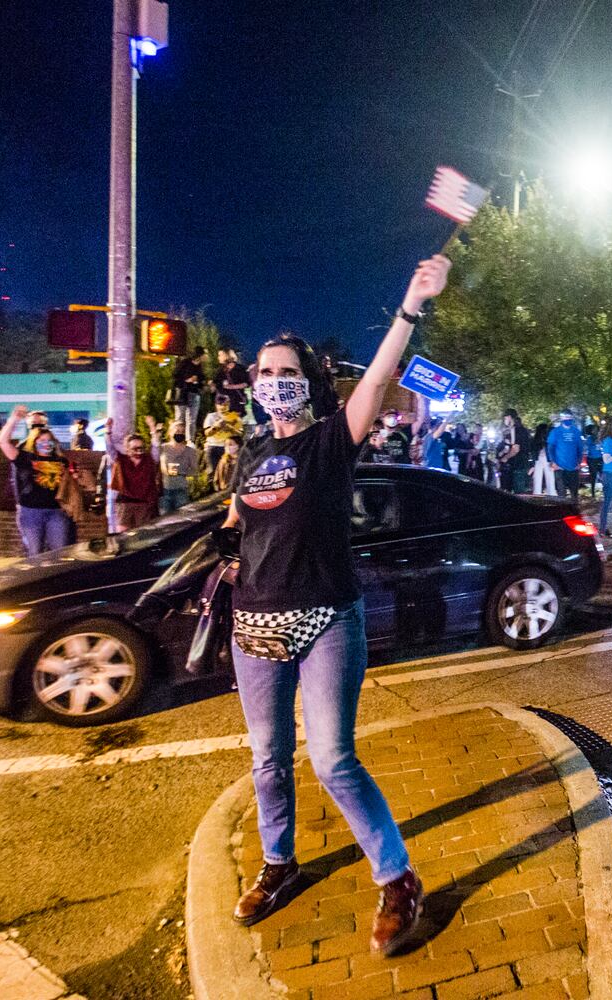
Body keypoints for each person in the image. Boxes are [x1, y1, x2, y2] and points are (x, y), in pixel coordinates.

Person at [219, 254, 450, 952]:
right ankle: (279, 865)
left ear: (309, 383)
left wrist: (409, 306)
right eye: (263, 373)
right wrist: (214, 549)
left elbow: (379, 378)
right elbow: (240, 523)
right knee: (266, 757)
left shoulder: (330, 439)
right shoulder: (250, 450)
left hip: (324, 619)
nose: (273, 381)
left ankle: (397, 878)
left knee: (331, 758)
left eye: (286, 371)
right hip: (252, 621)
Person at [0, 405, 80, 557]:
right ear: (34, 442)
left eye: (49, 440)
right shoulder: (25, 458)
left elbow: (70, 483)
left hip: (56, 511)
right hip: (31, 511)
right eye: (41, 440)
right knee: (35, 552)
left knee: (59, 552)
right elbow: (3, 441)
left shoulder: (61, 460)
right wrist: (14, 419)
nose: (46, 444)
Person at [108, 430, 163, 531]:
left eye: (141, 448)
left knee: (142, 535)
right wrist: (108, 433)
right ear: (127, 449)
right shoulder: (122, 460)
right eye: (135, 448)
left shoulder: (149, 460)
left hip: (144, 504)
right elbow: (110, 449)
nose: (138, 451)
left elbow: (156, 447)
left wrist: (153, 430)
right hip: (125, 503)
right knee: (123, 536)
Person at [157, 418, 200, 515]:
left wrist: (181, 472)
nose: (179, 433)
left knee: (182, 518)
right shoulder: (163, 448)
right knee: (164, 519)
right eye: (177, 431)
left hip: (181, 490)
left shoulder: (190, 451)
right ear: (170, 432)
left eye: (182, 431)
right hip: (164, 490)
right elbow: (158, 464)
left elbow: (195, 471)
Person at [546, 411, 584, 501]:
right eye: (565, 418)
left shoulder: (576, 431)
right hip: (560, 467)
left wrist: (579, 462)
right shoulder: (555, 432)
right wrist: (553, 462)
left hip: (573, 467)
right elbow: (550, 448)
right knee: (561, 494)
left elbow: (580, 448)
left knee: (574, 494)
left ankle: (574, 513)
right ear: (562, 419)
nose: (568, 420)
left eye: (569, 418)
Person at [171, 346, 206, 443]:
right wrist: (187, 380)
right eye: (204, 354)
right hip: (183, 393)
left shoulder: (200, 366)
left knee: (192, 419)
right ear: (199, 355)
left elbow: (202, 378)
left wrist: (199, 381)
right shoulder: (185, 363)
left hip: (194, 393)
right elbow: (175, 376)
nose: (205, 357)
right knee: (180, 418)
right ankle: (177, 438)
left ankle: (190, 440)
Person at [203, 396, 244, 473]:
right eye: (220, 404)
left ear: (229, 404)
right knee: (212, 471)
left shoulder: (235, 417)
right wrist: (215, 427)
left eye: (225, 404)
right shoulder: (211, 416)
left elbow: (241, 434)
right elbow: (207, 433)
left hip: (228, 448)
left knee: (229, 470)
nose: (223, 407)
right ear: (216, 405)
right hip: (213, 446)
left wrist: (231, 429)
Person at [499, 410, 532, 493]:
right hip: (516, 465)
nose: (504, 420)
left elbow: (516, 449)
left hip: (518, 465)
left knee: (519, 493)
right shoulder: (515, 430)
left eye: (505, 418)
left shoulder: (517, 430)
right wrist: (501, 453)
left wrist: (505, 458)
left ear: (509, 417)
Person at [216, 348, 251, 412]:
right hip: (224, 404)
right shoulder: (220, 371)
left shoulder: (240, 369)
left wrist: (232, 386)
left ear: (227, 355)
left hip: (237, 402)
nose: (218, 357)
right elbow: (218, 385)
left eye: (220, 355)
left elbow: (247, 383)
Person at [582, 422, 604, 498]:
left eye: (597, 430)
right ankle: (593, 492)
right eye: (594, 430)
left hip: (600, 459)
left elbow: (603, 446)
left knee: (602, 474)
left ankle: (605, 490)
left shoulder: (601, 438)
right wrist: (594, 443)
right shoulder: (589, 438)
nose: (596, 431)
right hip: (591, 459)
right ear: (592, 431)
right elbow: (586, 446)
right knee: (593, 475)